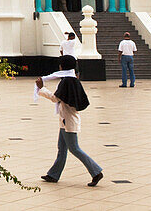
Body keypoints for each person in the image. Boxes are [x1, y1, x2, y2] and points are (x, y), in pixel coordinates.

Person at [35, 56, 103, 186]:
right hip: (65, 119)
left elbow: (55, 98)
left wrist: (42, 88)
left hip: (68, 120)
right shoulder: (72, 80)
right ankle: (53, 175)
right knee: (62, 148)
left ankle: (96, 172)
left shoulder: (67, 81)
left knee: (74, 148)